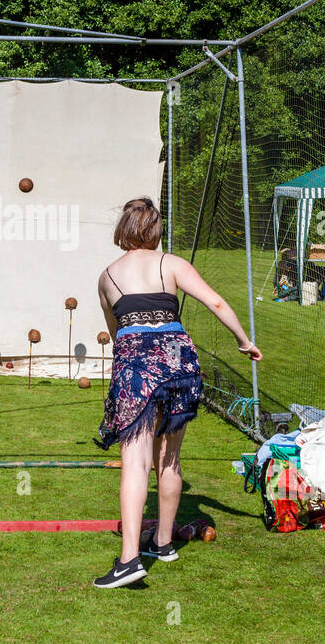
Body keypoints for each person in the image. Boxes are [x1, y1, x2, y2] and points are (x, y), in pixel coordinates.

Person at [92, 197, 261, 588]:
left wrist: (133, 362)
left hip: (137, 365)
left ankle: (130, 558)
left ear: (123, 229)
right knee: (169, 458)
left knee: (136, 463)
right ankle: (164, 543)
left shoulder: (107, 276)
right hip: (179, 361)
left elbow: (117, 332)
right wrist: (244, 341)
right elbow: (215, 301)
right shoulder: (172, 263)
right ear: (155, 229)